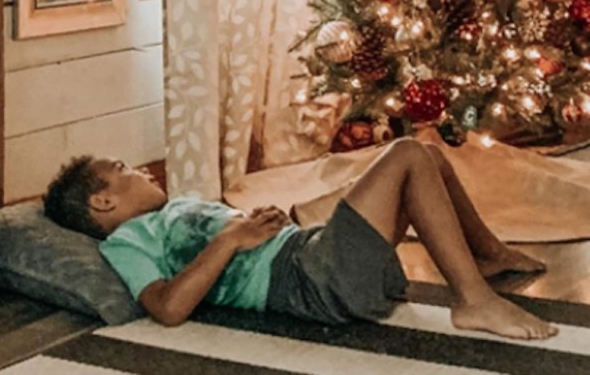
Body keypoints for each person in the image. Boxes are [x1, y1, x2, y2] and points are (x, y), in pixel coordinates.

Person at [43, 137, 557, 340]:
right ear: (103, 203)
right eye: (124, 170)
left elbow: (242, 239)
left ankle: (486, 256)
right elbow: (168, 307)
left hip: (310, 254)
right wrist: (230, 239)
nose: (140, 171)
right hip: (312, 280)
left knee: (426, 153)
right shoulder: (126, 242)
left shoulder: (172, 209)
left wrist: (260, 224)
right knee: (407, 156)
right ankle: (474, 300)